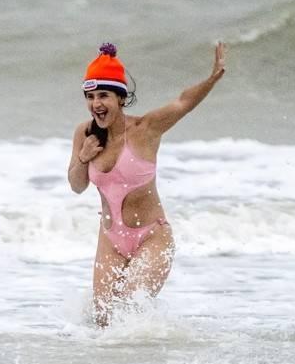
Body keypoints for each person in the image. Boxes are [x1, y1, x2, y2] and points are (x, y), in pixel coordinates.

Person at [69, 40, 226, 326]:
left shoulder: (146, 130)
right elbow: (77, 185)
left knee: (129, 311)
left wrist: (212, 78)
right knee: (103, 320)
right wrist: (83, 157)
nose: (96, 105)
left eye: (103, 96)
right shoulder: (85, 133)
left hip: (152, 238)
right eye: (90, 97)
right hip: (110, 239)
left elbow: (183, 102)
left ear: (120, 98)